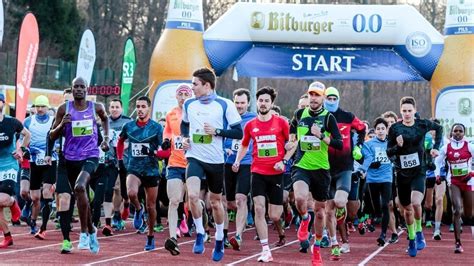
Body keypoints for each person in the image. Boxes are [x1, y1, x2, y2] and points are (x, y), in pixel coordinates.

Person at [181, 67, 242, 262]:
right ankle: (200, 232)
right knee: (192, 196)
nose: (192, 88)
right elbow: (184, 125)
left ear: (207, 85)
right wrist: (184, 138)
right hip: (194, 156)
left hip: (216, 160)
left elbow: (238, 133)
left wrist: (217, 131)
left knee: (215, 203)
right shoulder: (189, 104)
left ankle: (218, 238)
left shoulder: (225, 105)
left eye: (195, 84)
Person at [49, 77, 109, 254]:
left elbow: (105, 120)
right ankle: (91, 229)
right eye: (76, 87)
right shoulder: (63, 109)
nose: (79, 90)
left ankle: (83, 234)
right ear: (72, 89)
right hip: (70, 158)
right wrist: (61, 125)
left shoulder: (96, 107)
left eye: (82, 87)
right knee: (78, 193)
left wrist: (105, 139)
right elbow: (51, 135)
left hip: (90, 155)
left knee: (80, 187)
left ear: (87, 90)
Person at [232, 86, 292, 262]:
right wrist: (237, 160)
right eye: (261, 100)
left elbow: (292, 143)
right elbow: (244, 145)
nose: (263, 104)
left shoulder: (281, 123)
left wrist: (285, 159)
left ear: (272, 104)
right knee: (258, 208)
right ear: (256, 103)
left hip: (276, 173)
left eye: (267, 101)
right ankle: (265, 249)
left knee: (274, 215)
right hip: (257, 171)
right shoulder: (250, 125)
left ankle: (279, 228)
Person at [289, 82, 342, 265]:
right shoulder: (299, 114)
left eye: (317, 95)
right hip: (301, 165)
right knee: (300, 199)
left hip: (321, 169)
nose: (313, 98)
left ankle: (317, 247)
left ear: (323, 98)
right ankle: (304, 219)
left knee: (320, 213)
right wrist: (290, 143)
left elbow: (339, 144)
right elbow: (292, 133)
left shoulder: (328, 118)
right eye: (311, 94)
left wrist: (321, 136)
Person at [386, 96, 442, 257]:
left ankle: (419, 232)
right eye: (404, 111)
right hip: (402, 174)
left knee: (416, 203)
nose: (407, 114)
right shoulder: (395, 129)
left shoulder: (422, 124)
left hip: (419, 171)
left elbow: (439, 129)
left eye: (410, 111)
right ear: (400, 111)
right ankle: (411, 238)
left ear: (415, 111)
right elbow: (389, 152)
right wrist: (398, 146)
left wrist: (436, 148)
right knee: (407, 210)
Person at [116, 96, 163, 250]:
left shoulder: (156, 128)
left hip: (151, 169)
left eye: (143, 106)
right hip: (134, 167)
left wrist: (156, 151)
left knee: (151, 206)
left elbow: (165, 151)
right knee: (131, 193)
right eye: (138, 106)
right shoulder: (129, 126)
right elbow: (120, 142)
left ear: (148, 108)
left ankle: (150, 236)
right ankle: (137, 209)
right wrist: (120, 159)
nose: (140, 109)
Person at [323, 86, 366, 257]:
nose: (331, 102)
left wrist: (359, 146)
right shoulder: (319, 117)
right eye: (329, 98)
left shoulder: (347, 116)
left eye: (334, 99)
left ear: (338, 99)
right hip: (324, 168)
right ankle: (339, 241)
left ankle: (343, 232)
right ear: (324, 99)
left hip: (344, 166)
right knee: (329, 209)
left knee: (341, 202)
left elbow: (362, 128)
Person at [163, 84, 192, 255]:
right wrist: (166, 140)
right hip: (174, 163)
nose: (183, 97)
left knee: (193, 201)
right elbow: (167, 132)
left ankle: (199, 221)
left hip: (193, 163)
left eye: (186, 94)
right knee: (174, 200)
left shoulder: (196, 112)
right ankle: (173, 237)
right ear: (176, 96)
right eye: (180, 94)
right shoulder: (171, 114)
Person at [435, 123, 474, 253]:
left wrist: (471, 174)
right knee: (456, 209)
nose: (457, 133)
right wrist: (438, 175)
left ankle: (462, 216)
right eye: (455, 131)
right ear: (451, 133)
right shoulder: (446, 148)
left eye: (460, 131)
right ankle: (458, 243)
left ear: (464, 133)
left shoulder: (469, 146)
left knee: (468, 214)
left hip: (468, 182)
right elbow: (437, 161)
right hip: (454, 181)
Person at [226, 88, 257, 251]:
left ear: (248, 103)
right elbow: (220, 136)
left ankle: (238, 235)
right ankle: (222, 234)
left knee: (240, 199)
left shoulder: (254, 119)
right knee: (227, 202)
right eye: (237, 103)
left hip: (247, 163)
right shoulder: (227, 117)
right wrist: (226, 148)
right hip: (227, 163)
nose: (239, 106)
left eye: (242, 103)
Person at [23, 95, 57, 239]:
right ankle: (33, 222)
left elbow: (60, 138)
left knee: (47, 193)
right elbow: (22, 139)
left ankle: (43, 228)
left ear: (48, 107)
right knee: (35, 197)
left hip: (51, 161)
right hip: (34, 161)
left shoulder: (54, 121)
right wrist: (25, 150)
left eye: (43, 106)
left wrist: (56, 148)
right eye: (38, 106)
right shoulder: (28, 121)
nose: (40, 109)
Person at [0, 93, 30, 248]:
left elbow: (27, 135)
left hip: (9, 165)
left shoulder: (11, 123)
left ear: (3, 104)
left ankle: (12, 203)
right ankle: (7, 236)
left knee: (2, 199)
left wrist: (21, 151)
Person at [360, 117, 394, 246]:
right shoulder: (369, 144)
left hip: (386, 178)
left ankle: (383, 234)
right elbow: (363, 159)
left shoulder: (391, 143)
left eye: (383, 129)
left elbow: (396, 155)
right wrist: (371, 164)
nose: (380, 131)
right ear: (375, 130)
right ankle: (371, 218)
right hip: (373, 179)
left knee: (386, 205)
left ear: (386, 130)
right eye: (378, 129)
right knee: (376, 208)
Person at [106, 99, 132, 233]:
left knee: (126, 191)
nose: (114, 109)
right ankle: (116, 214)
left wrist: (127, 144)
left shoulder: (128, 122)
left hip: (126, 161)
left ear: (121, 109)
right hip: (111, 160)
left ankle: (127, 203)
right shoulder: (105, 122)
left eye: (117, 107)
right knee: (115, 188)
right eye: (112, 107)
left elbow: (135, 138)